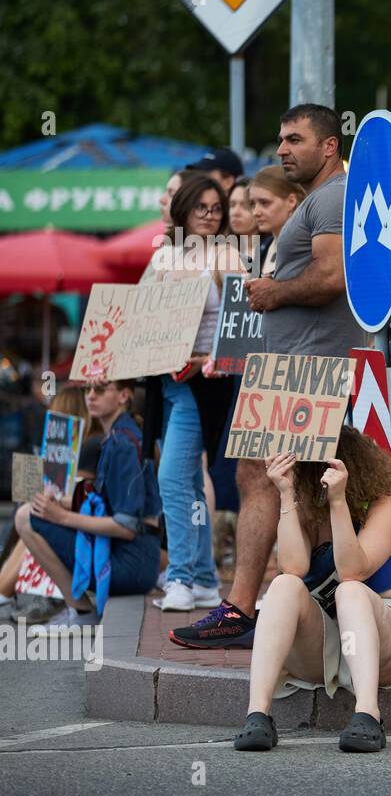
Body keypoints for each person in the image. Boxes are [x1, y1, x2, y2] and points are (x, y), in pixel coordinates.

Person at [173, 104, 362, 649]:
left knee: (266, 478)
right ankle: (279, 607)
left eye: (295, 139)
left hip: (307, 366)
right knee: (276, 482)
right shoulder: (322, 199)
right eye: (280, 139)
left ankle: (246, 608)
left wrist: (274, 291)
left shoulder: (332, 196)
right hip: (296, 364)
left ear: (328, 146)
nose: (282, 149)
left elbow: (333, 276)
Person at [233, 426, 391, 752]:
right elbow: (293, 568)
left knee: (349, 590)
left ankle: (368, 714)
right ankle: (258, 714)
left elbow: (353, 570)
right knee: (283, 585)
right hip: (326, 642)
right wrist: (286, 494)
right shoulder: (310, 509)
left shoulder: (386, 509)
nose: (318, 482)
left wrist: (339, 502)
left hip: (385, 643)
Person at [148, 175, 241, 612]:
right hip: (166, 382)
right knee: (187, 480)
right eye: (200, 207)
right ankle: (203, 578)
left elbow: (241, 325)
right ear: (182, 209)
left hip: (204, 382)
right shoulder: (164, 254)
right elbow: (141, 317)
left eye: (216, 207)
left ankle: (181, 578)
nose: (209, 214)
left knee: (171, 478)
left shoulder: (229, 256)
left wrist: (215, 359)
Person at [14, 379, 161, 630]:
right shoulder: (117, 435)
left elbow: (125, 527)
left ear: (124, 396)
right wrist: (59, 502)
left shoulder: (122, 443)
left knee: (26, 517)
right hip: (136, 559)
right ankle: (79, 611)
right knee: (33, 510)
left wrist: (60, 516)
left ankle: (82, 613)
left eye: (101, 389)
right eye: (87, 389)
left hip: (132, 565)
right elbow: (106, 504)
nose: (91, 396)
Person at [247, 165, 305, 279]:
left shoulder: (305, 249)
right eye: (252, 204)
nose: (255, 212)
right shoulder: (262, 248)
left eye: (264, 203)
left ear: (291, 201)